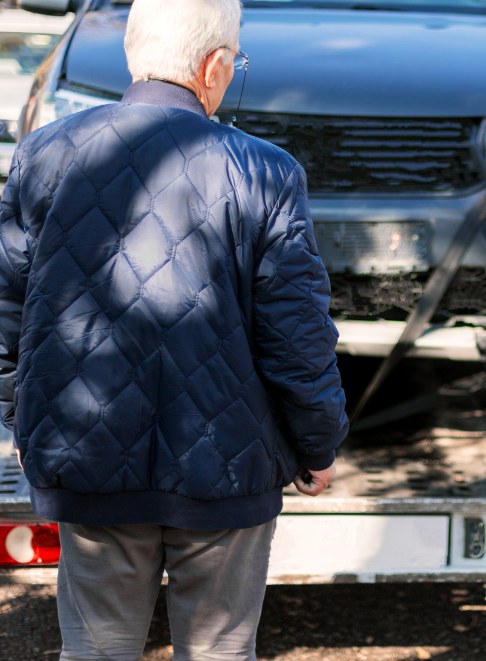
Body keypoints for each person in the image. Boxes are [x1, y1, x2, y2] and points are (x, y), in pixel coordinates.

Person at [0, 0, 349, 657]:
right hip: (227, 470)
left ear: (135, 55)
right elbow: (296, 335)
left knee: (97, 647)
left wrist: (21, 419)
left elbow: (7, 307)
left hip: (87, 460)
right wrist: (318, 444)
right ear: (215, 65)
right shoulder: (267, 172)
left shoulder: (43, 154)